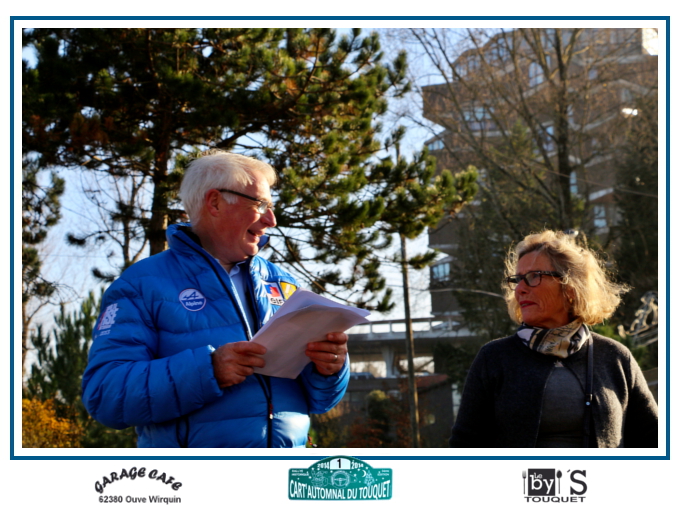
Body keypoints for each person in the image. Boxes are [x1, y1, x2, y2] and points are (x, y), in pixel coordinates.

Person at [82, 151, 350, 448]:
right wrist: (208, 370)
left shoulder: (283, 283)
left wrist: (330, 368)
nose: (271, 220)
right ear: (215, 202)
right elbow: (105, 396)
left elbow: (320, 401)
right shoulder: (141, 284)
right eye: (261, 205)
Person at [449, 230, 658, 448]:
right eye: (517, 280)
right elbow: (464, 446)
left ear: (570, 286)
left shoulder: (615, 357)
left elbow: (654, 439)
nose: (519, 290)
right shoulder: (494, 358)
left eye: (533, 277)